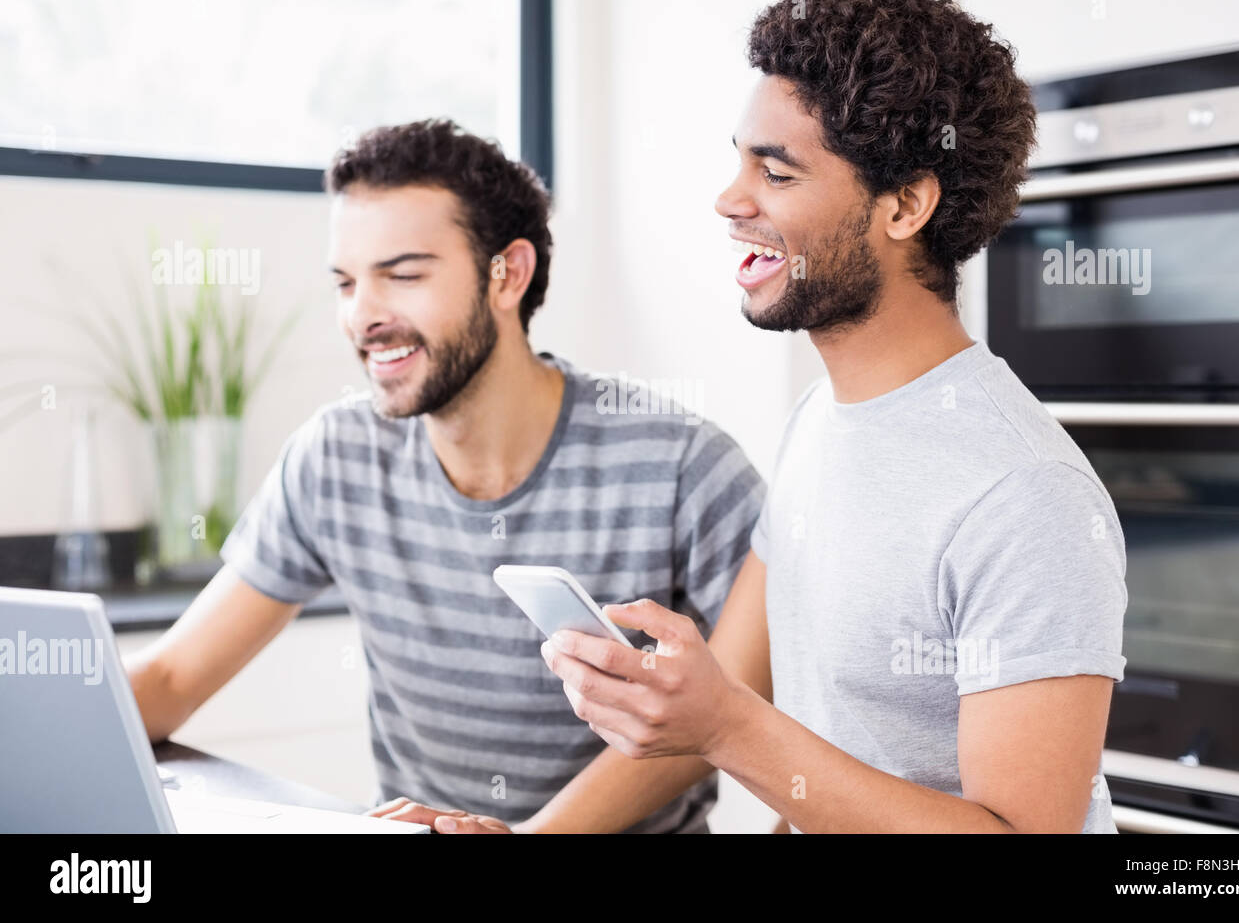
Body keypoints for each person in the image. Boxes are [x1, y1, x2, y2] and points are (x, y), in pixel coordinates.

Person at [393, 0, 1127, 834]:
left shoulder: (1024, 494)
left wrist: (728, 726)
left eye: (775, 171)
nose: (729, 199)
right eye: (740, 158)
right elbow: (753, 705)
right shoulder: (823, 421)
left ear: (905, 205)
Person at [126, 119, 765, 834]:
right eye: (346, 282)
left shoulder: (682, 467)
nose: (362, 315)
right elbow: (172, 678)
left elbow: (742, 704)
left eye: (402, 275)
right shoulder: (335, 459)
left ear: (508, 274)